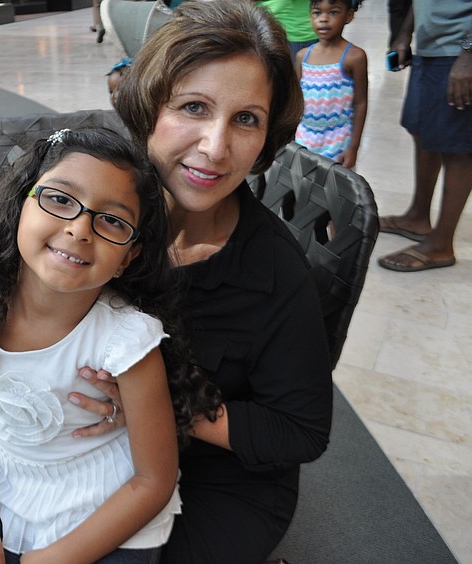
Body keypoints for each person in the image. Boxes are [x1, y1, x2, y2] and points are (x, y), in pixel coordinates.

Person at [73, 1, 331, 561]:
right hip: (87, 449)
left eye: (246, 119)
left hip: (215, 480)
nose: (216, 148)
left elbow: (299, 432)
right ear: (149, 109)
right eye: (194, 107)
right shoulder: (95, 218)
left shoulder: (274, 273)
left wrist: (157, 406)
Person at [0, 127, 221, 563]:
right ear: (21, 203)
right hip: (9, 493)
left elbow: (153, 481)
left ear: (128, 255)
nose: (78, 229)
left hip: (109, 511)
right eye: (60, 199)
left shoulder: (126, 342)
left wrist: (50, 559)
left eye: (112, 219)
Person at [377, 3, 472, 272]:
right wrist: (405, 33)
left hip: (458, 52)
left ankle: (441, 244)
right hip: (430, 48)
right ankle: (417, 217)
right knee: (421, 129)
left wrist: (468, 54)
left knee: (458, 148)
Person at [295, 0, 368, 168]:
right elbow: (295, 100)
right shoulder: (302, 56)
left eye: (333, 12)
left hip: (338, 140)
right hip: (304, 138)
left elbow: (360, 103)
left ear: (348, 16)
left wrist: (353, 148)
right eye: (317, 13)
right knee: (303, 188)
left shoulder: (354, 57)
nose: (324, 19)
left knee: (334, 190)